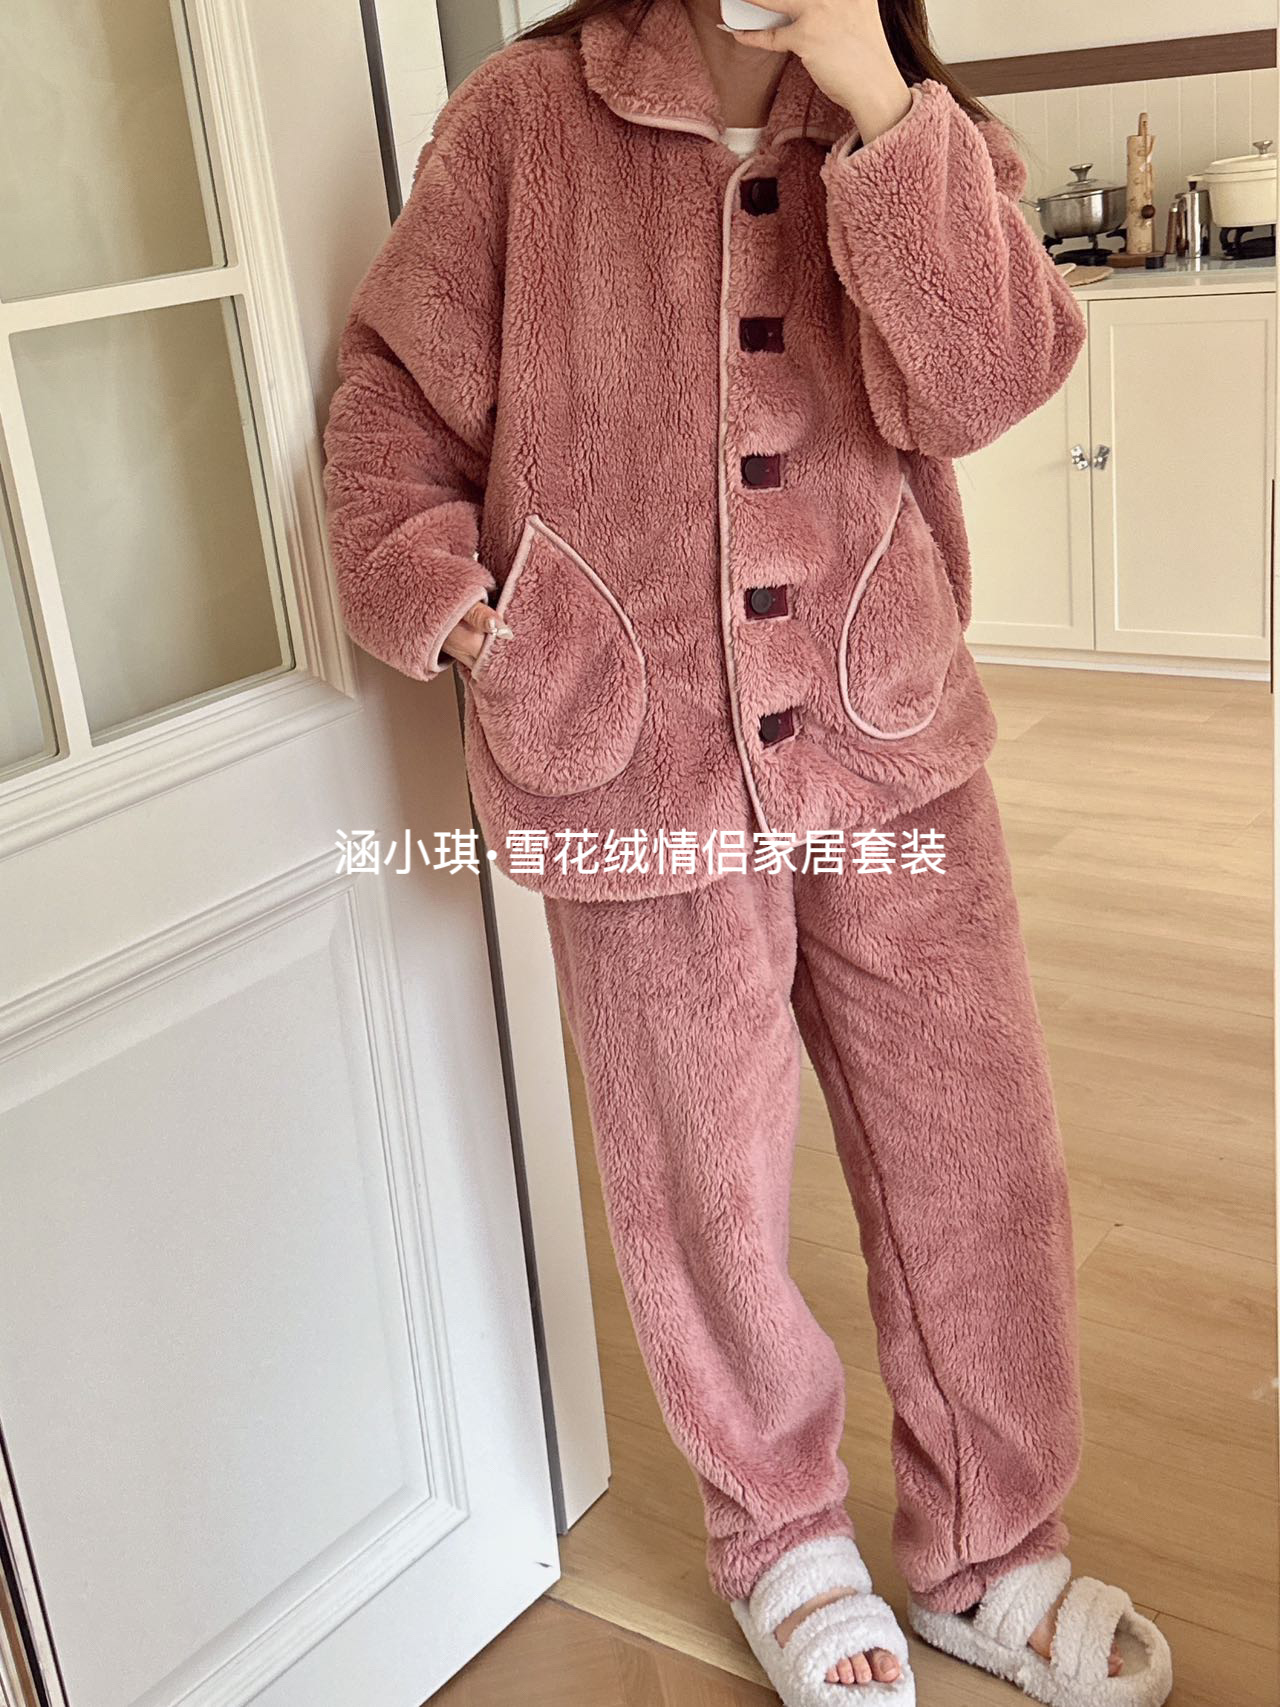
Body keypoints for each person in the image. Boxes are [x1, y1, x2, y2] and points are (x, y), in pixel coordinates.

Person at [322, 2, 1174, 1702]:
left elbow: (989, 379)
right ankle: (778, 1534)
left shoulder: (909, 122)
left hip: (885, 732)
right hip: (624, 747)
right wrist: (459, 606)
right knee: (699, 1184)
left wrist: (873, 100)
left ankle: (991, 1543)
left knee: (975, 1152)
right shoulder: (518, 126)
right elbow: (388, 405)